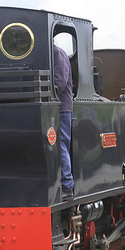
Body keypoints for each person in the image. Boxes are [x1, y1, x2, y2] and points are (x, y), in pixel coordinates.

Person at [53, 44, 74, 199]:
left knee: (61, 144)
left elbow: (59, 82)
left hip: (61, 108)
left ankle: (67, 184)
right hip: (50, 106)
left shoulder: (57, 53)